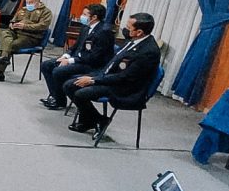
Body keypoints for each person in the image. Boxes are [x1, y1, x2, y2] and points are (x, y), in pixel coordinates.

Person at [64, 12, 160, 141]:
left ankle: (95, 121)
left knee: (81, 93)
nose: (125, 29)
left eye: (129, 27)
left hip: (125, 87)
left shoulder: (148, 51)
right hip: (110, 77)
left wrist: (93, 80)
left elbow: (125, 77)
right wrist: (96, 76)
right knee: (69, 85)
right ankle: (96, 120)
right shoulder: (134, 40)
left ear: (139, 32)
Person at [40, 4, 115, 110]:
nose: (81, 16)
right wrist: (66, 55)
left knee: (58, 71)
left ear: (94, 17)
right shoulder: (85, 27)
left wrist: (71, 60)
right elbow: (76, 46)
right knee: (46, 65)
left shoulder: (104, 32)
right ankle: (56, 96)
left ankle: (59, 101)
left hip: (92, 65)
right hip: (80, 59)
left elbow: (95, 57)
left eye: (85, 14)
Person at [0, 0, 53, 82]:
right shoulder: (23, 10)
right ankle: (4, 59)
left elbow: (42, 26)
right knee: (2, 31)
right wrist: (12, 25)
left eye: (31, 2)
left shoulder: (46, 12)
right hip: (16, 33)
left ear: (38, 1)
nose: (28, 4)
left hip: (31, 37)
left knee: (10, 44)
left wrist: (25, 26)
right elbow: (13, 20)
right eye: (27, 2)